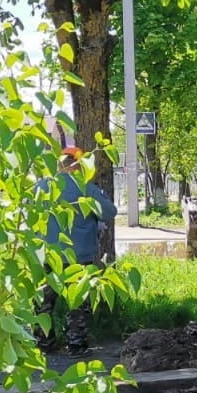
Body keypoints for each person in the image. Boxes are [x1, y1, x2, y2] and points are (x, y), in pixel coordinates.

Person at [42, 146, 115, 353]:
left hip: (48, 255)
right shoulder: (86, 189)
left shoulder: (43, 187)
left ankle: (44, 344)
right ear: (77, 166)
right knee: (78, 301)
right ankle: (75, 345)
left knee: (45, 302)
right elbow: (110, 212)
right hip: (79, 257)